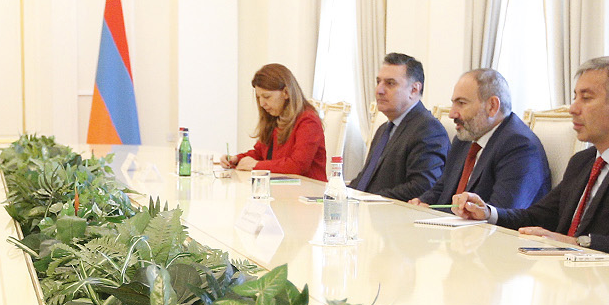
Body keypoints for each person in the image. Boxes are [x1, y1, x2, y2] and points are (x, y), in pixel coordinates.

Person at [454, 56, 609, 270]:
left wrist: (581, 243)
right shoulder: (583, 161)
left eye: (586, 98)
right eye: (575, 97)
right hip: (566, 280)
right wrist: (488, 213)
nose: (573, 108)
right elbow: (538, 217)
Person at [415, 68, 550, 208]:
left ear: (492, 106)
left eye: (461, 103)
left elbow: (500, 212)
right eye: (453, 103)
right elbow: (443, 187)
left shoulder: (519, 146)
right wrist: (421, 202)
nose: (452, 114)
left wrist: (436, 215)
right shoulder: (465, 138)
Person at [347, 53, 449, 200]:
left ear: (414, 90)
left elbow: (422, 187)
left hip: (391, 211)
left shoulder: (428, 129)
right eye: (378, 82)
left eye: (390, 83)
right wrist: (342, 194)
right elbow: (365, 179)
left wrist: (367, 199)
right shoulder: (384, 129)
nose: (379, 90)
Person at [216, 63, 326, 181]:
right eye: (259, 97)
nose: (262, 103)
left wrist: (256, 165)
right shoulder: (275, 117)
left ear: (286, 93)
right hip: (281, 187)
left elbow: (297, 165)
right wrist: (237, 159)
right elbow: (260, 153)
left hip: (307, 188)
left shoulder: (308, 121)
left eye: (267, 97)